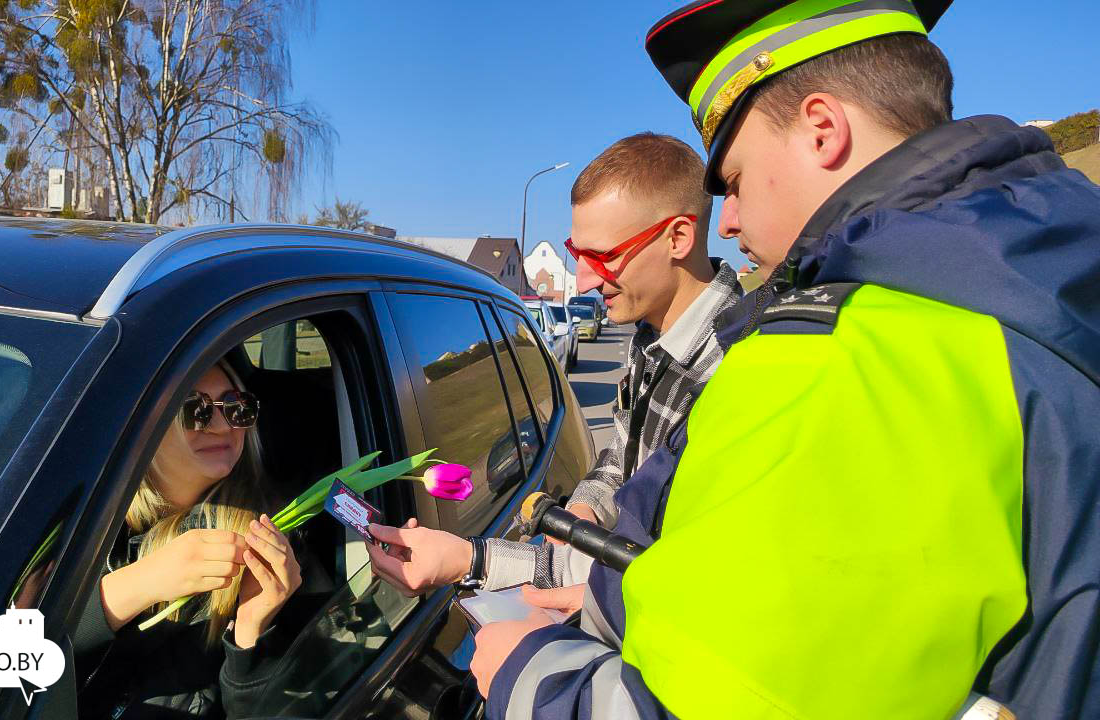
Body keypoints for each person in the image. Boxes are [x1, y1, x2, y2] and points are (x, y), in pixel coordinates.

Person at [474, 2, 1100, 718]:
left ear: (822, 130)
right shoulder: (1029, 278)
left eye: (735, 181)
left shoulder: (854, 351)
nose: (730, 220)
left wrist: (531, 677)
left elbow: (729, 697)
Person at [365, 133, 740, 608]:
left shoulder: (736, 375)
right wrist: (587, 506)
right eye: (574, 251)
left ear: (678, 238)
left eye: (603, 256)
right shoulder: (652, 340)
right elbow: (620, 465)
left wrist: (470, 560)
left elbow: (658, 585)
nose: (583, 279)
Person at [74, 361, 305, 718]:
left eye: (236, 407)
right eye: (193, 409)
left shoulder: (274, 546)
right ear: (140, 426)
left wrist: (249, 633)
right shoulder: (80, 523)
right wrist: (137, 584)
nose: (221, 425)